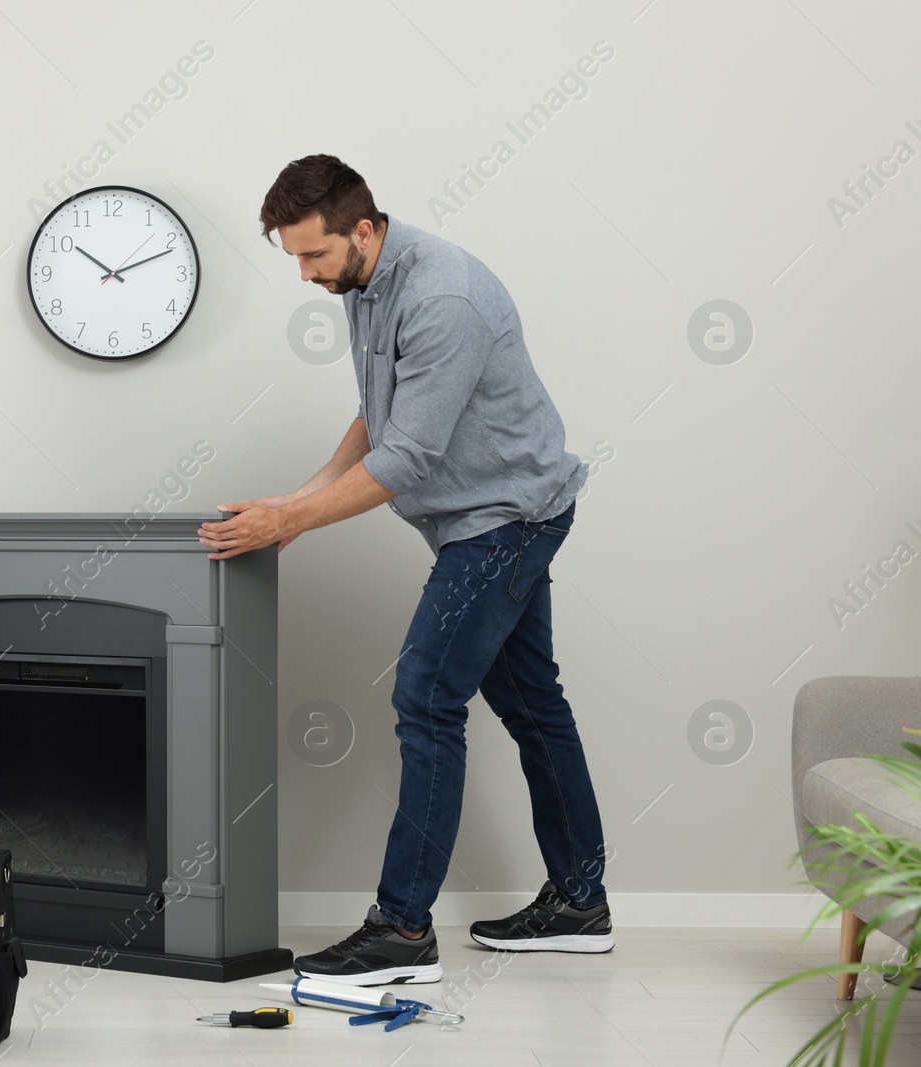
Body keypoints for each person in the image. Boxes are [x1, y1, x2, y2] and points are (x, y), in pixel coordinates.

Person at [198, 154, 612, 986]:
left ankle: (402, 931)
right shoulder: (369, 284)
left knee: (425, 697)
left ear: (362, 228)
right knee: (534, 707)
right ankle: (579, 903)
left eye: (313, 256)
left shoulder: (440, 296)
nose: (306, 275)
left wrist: (290, 518)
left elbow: (411, 458)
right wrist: (301, 499)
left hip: (507, 520)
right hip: (492, 515)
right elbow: (380, 412)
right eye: (294, 259)